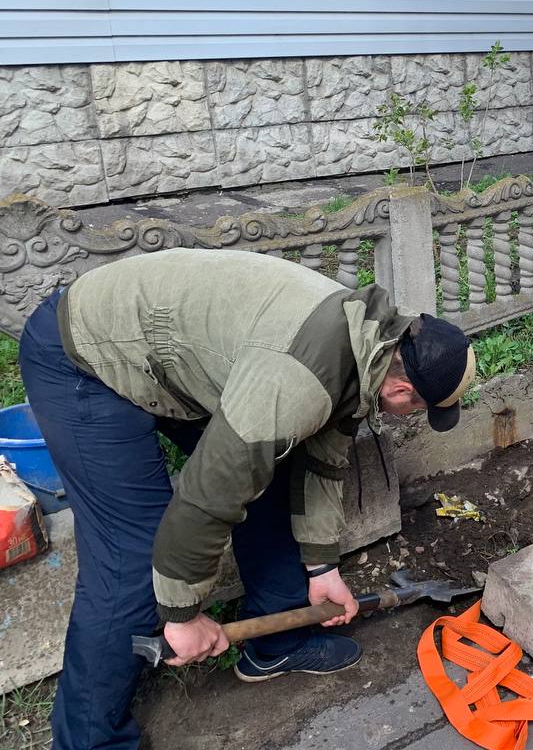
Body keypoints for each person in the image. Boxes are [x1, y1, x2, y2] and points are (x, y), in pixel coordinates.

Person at [17, 248, 475, 750]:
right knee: (133, 554)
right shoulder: (296, 379)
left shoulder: (368, 345)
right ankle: (88, 742)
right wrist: (182, 615)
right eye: (420, 410)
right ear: (404, 389)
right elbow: (206, 496)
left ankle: (275, 645)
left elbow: (322, 463)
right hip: (86, 356)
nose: (411, 418)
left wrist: (322, 568)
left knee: (270, 472)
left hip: (176, 356)